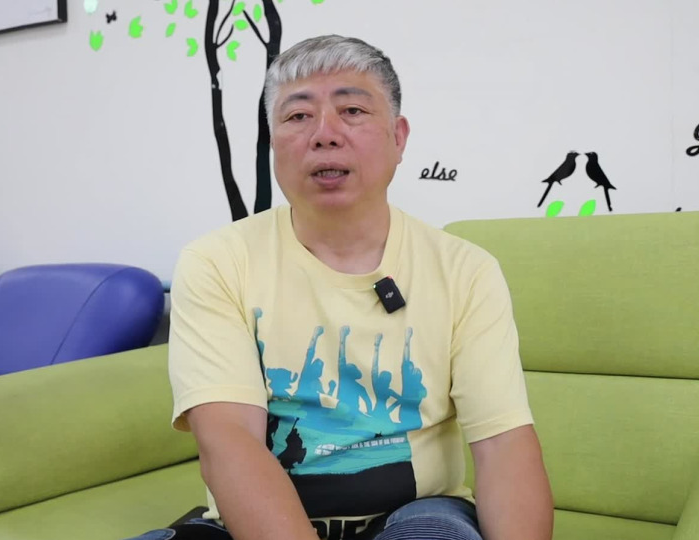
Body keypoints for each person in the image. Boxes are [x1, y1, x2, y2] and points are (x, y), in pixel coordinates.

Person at [126, 34, 553, 540]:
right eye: (297, 116)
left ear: (398, 137)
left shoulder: (465, 270)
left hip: (417, 516)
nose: (324, 134)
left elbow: (503, 444)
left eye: (352, 110)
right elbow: (229, 441)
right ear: (272, 142)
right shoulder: (218, 262)